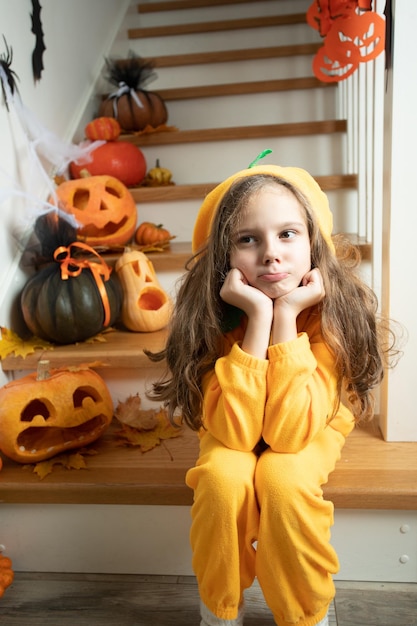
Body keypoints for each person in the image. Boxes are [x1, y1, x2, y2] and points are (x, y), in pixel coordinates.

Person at [147, 157, 393, 626]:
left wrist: (288, 317)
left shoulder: (330, 318)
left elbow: (289, 435)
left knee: (283, 479)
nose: (271, 253)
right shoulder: (212, 318)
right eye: (248, 239)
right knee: (222, 478)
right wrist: (259, 318)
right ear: (224, 254)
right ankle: (219, 611)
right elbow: (237, 436)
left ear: (313, 243)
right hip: (231, 424)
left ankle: (306, 615)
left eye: (287, 234)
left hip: (308, 426)